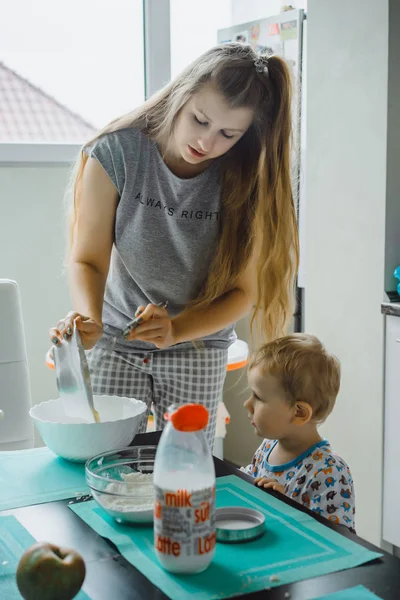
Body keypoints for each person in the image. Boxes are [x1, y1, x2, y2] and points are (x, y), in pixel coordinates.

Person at [48, 43, 299, 447]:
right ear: (181, 95)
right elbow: (88, 259)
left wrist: (177, 329)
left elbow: (242, 293)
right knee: (103, 455)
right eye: (199, 120)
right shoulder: (117, 152)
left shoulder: (247, 177)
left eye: (227, 134)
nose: (207, 141)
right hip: (116, 337)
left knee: (185, 464)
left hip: (198, 344)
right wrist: (89, 319)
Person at [242, 334, 355, 531]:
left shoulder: (329, 472)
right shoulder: (269, 446)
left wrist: (286, 508)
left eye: (258, 397)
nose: (247, 404)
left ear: (299, 413)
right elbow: (250, 480)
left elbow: (339, 540)